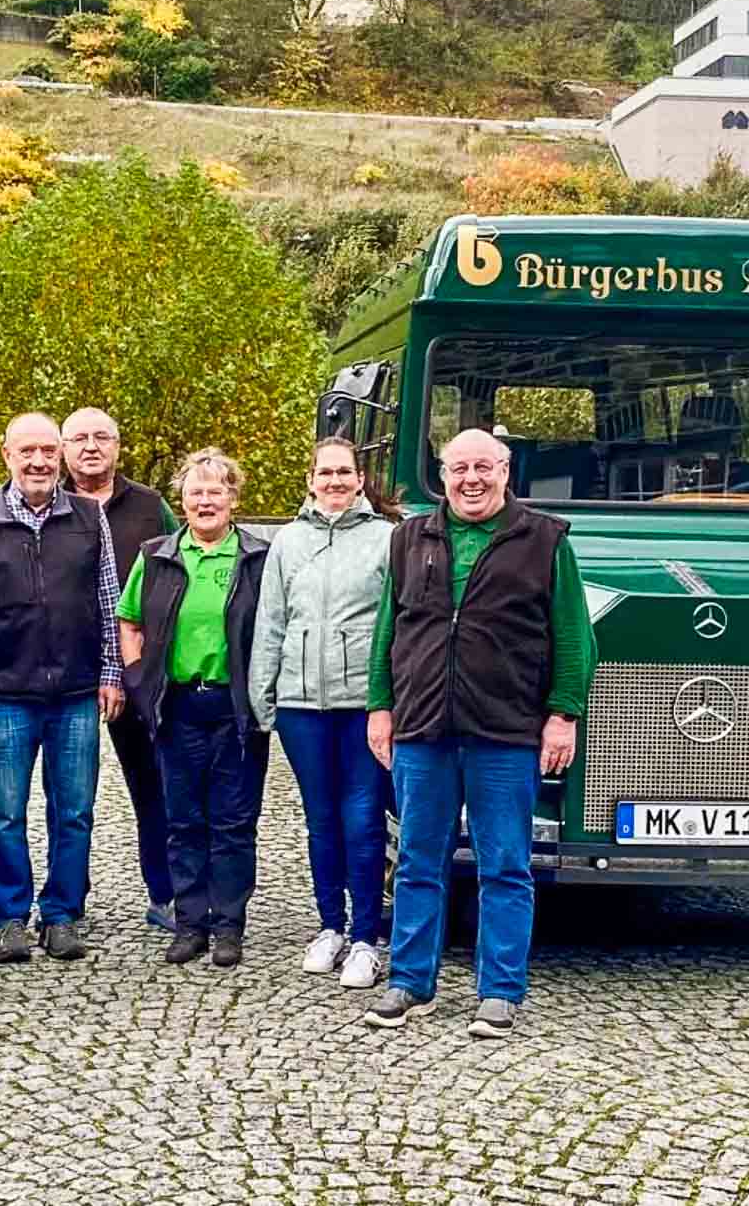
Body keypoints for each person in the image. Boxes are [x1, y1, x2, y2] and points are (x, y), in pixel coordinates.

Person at [363, 428, 596, 1039]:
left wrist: (563, 714)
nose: (471, 479)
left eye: (483, 468)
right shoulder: (410, 538)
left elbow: (573, 636)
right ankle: (410, 983)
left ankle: (499, 991)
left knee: (505, 866)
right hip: (422, 727)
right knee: (417, 861)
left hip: (506, 731)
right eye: (459, 468)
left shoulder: (544, 540)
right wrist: (380, 706)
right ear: (442, 475)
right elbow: (388, 629)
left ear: (505, 470)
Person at [0, 412, 124, 965]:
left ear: (61, 456)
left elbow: (112, 602)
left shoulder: (90, 518)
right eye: (28, 451)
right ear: (6, 456)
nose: (39, 462)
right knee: (2, 812)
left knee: (74, 810)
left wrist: (112, 673)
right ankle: (9, 917)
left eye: (48, 451)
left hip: (74, 694)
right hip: (3, 694)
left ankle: (63, 913)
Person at [249, 436, 401, 988]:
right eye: (325, 473)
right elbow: (271, 623)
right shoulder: (289, 542)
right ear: (310, 480)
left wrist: (392, 700)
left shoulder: (388, 539)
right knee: (320, 820)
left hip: (361, 704)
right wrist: (262, 698)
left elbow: (399, 625)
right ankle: (329, 925)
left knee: (362, 819)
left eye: (344, 472)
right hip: (300, 704)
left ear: (360, 480)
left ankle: (366, 935)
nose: (334, 481)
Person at [116, 449, 271, 968]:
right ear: (181, 500)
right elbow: (130, 620)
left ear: (234, 497)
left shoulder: (256, 559)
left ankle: (228, 925)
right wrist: (138, 680)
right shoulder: (157, 555)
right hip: (177, 705)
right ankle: (189, 924)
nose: (205, 500)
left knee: (232, 821)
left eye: (216, 490)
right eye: (195, 492)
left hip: (234, 707)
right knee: (182, 819)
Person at [62, 407, 180, 933]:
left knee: (153, 787)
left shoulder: (152, 508)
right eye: (80, 438)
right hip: (66, 674)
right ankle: (68, 902)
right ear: (64, 449)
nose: (91, 447)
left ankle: (166, 893)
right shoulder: (46, 503)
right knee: (69, 796)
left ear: (118, 445)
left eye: (101, 437)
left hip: (139, 674)